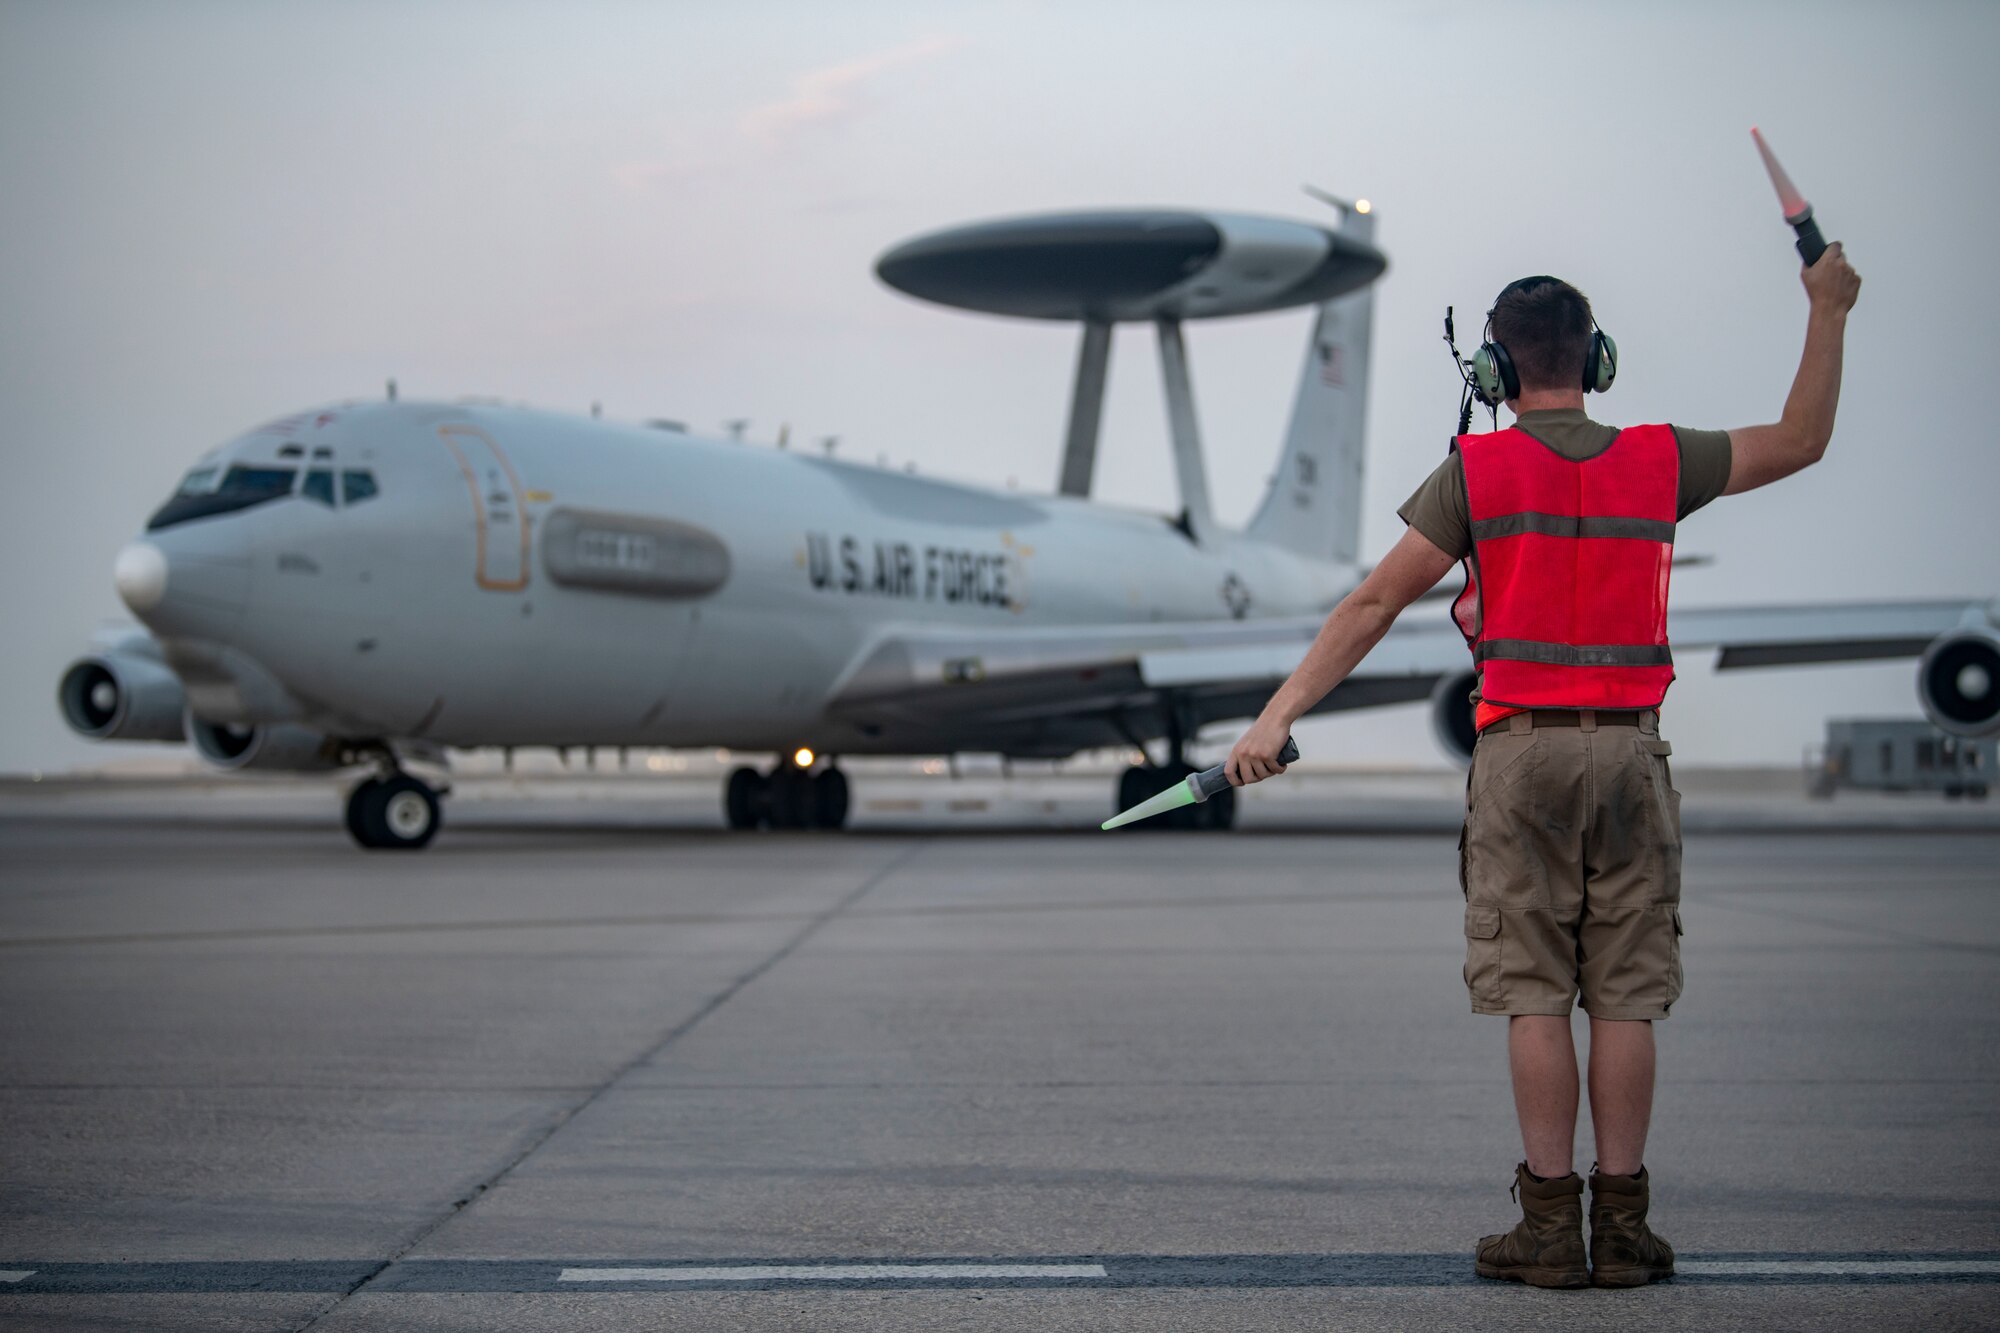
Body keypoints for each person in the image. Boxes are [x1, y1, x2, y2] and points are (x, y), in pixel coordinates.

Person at [1226, 247, 1862, 1289]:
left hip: (1519, 756)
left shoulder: (1475, 473)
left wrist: (1273, 718)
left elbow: (1371, 604)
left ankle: (1544, 1229)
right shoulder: (1660, 461)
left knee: (1532, 990)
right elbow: (1800, 439)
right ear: (1594, 359)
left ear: (1493, 370)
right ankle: (1620, 1229)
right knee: (1622, 996)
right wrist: (1826, 310)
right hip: (1628, 752)